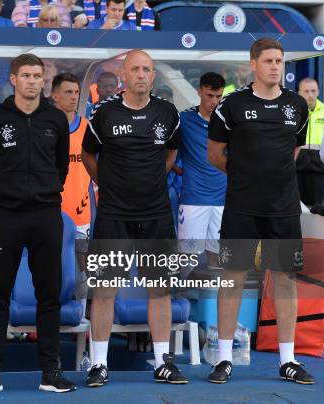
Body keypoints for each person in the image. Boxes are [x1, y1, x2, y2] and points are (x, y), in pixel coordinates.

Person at [207, 38, 314, 385]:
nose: (275, 66)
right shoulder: (231, 106)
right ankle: (224, 358)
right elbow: (215, 154)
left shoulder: (297, 105)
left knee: (285, 279)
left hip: (283, 209)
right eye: (268, 60)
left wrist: (273, 181)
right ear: (253, 64)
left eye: (279, 61)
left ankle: (288, 360)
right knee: (233, 277)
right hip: (241, 207)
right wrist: (246, 179)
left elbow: (294, 151)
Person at [82, 49, 187, 387]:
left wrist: (155, 179)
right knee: (104, 291)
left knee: (160, 290)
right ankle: (99, 364)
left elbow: (172, 152)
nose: (141, 75)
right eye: (135, 69)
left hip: (156, 214)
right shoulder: (104, 113)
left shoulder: (167, 112)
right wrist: (107, 184)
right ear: (124, 75)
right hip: (114, 214)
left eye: (147, 69)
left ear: (153, 76)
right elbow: (87, 155)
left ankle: (161, 363)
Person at [0, 53, 76, 397]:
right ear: (13, 79)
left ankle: (50, 372)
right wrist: (6, 199)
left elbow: (61, 169)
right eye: (26, 75)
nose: (33, 81)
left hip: (47, 216)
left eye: (38, 75)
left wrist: (42, 194)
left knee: (50, 296)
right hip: (6, 217)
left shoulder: (56, 120)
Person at [51, 72, 91, 318]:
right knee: (49, 266)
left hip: (80, 213)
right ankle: (47, 315)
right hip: (51, 211)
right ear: (55, 95)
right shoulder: (46, 127)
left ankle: (81, 316)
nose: (74, 97)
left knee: (82, 267)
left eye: (76, 92)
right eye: (68, 92)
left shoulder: (88, 128)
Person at [176, 72, 226, 270]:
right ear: (199, 91)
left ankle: (212, 301)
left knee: (218, 259)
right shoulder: (184, 119)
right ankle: (181, 298)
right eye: (209, 95)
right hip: (193, 200)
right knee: (187, 259)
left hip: (223, 200)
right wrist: (183, 171)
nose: (214, 101)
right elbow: (168, 152)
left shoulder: (227, 121)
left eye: (218, 96)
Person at [296, 77, 324, 207]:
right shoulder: (293, 112)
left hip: (318, 167)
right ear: (299, 93)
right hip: (296, 164)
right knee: (297, 206)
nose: (310, 95)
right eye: (306, 91)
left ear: (318, 91)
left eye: (313, 91)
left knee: (316, 206)